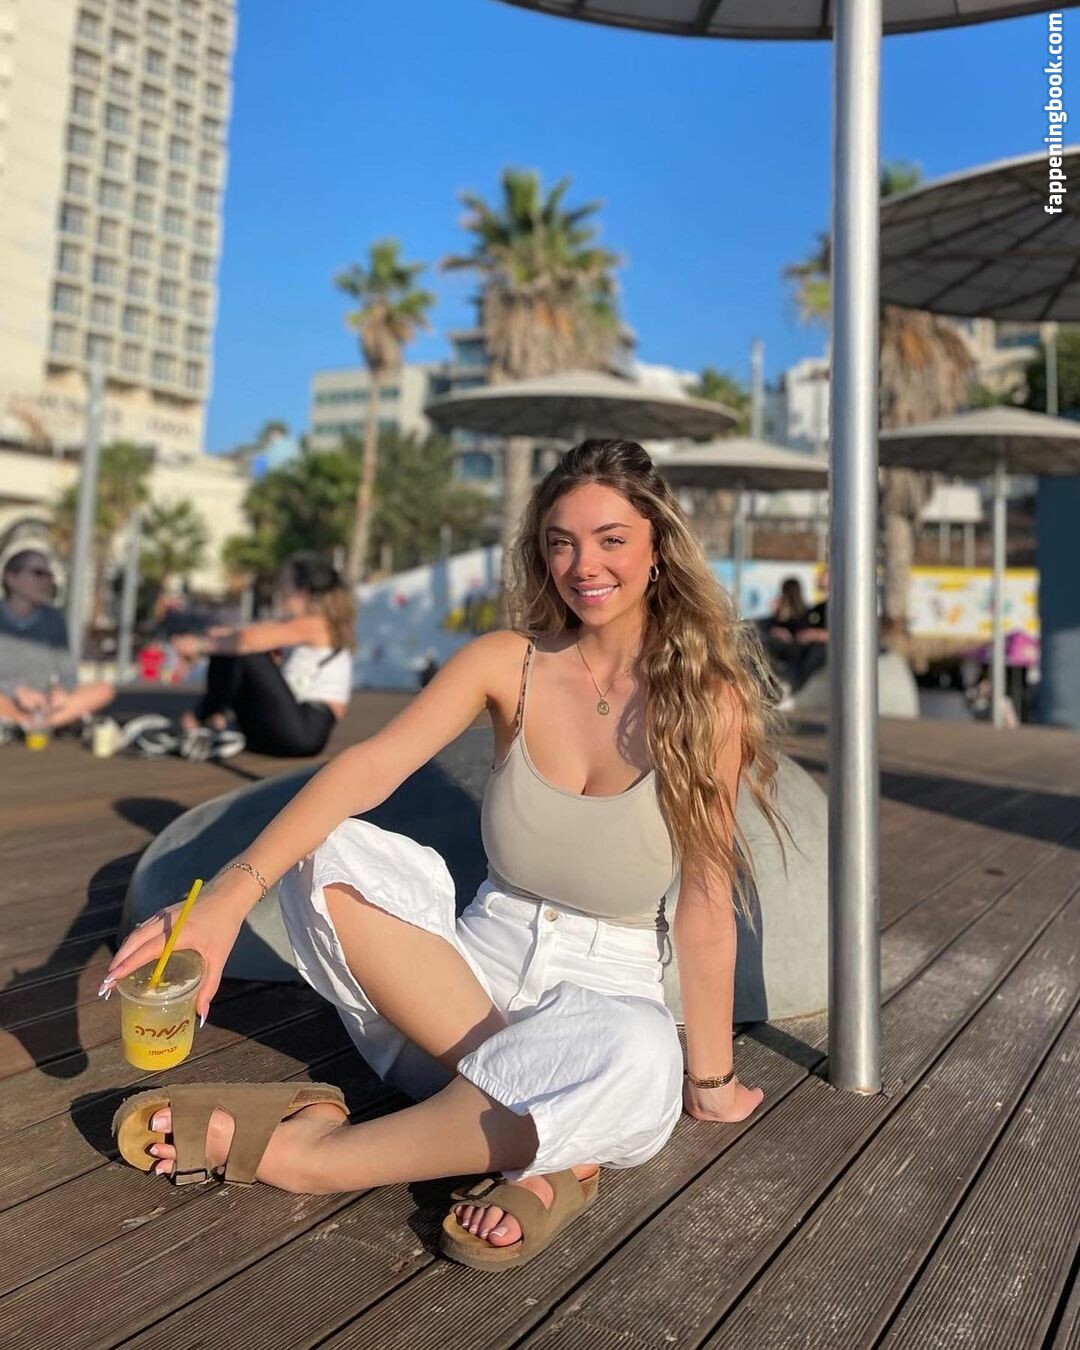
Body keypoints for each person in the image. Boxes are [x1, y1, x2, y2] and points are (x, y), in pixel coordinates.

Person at [105, 440, 784, 1271]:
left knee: (641, 1057)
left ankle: (314, 1157)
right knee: (327, 848)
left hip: (605, 996)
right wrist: (225, 900)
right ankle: (551, 1153)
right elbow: (367, 768)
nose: (583, 565)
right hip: (461, 989)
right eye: (561, 542)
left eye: (611, 539)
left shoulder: (709, 703)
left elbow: (706, 902)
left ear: (656, 548)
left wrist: (710, 1083)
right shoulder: (509, 663)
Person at [133, 553, 356, 761]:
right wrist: (213, 640)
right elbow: (238, 635)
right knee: (231, 646)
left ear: (303, 592)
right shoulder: (298, 627)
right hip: (282, 727)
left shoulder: (318, 624)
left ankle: (199, 720)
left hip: (304, 733)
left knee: (245, 651)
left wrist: (199, 645)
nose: (279, 590)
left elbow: (247, 641)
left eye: (284, 584)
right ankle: (212, 722)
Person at [0, 549, 114, 742]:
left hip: (43, 702)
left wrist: (60, 691)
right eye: (38, 573)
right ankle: (27, 722)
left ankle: (30, 725)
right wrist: (16, 691)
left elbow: (68, 674)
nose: (46, 581)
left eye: (49, 575)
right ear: (11, 578)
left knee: (104, 690)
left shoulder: (54, 619)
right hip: (5, 699)